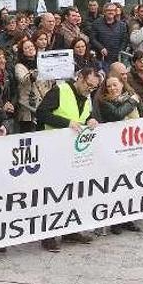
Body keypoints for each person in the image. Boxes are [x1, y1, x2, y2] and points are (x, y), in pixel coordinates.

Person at [35, 66, 101, 250]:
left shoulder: (86, 98)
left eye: (94, 87)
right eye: (88, 85)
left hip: (73, 154)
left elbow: (83, 116)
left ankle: (70, 230)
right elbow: (41, 113)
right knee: (51, 194)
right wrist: (66, 124)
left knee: (71, 192)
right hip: (52, 150)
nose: (90, 89)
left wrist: (90, 120)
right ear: (79, 78)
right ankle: (47, 235)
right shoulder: (60, 90)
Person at [97, 75, 143, 234]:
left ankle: (129, 218)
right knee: (117, 186)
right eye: (109, 86)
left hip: (135, 148)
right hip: (116, 150)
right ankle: (115, 221)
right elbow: (117, 114)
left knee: (132, 185)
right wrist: (133, 101)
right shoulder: (105, 102)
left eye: (115, 85)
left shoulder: (133, 98)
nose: (112, 88)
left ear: (122, 85)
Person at [14, 37, 55, 133]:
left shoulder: (43, 63)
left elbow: (51, 81)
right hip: (28, 108)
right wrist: (33, 75)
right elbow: (23, 80)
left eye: (32, 46)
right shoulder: (19, 66)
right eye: (26, 48)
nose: (30, 48)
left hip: (43, 105)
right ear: (22, 52)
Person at [91, 3, 129, 69]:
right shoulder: (96, 23)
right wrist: (101, 48)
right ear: (104, 12)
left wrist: (120, 51)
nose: (111, 12)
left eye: (113, 10)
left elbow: (125, 40)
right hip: (101, 57)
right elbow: (92, 39)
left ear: (115, 12)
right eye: (108, 10)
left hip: (117, 58)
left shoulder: (122, 25)